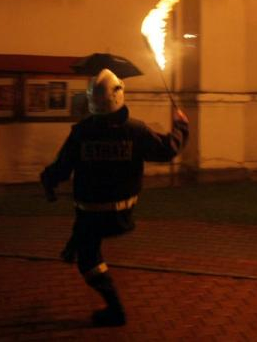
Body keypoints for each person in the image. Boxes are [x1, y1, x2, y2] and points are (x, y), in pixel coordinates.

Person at [40, 69, 189, 327]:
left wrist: (48, 182)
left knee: (89, 258)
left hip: (89, 213)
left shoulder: (81, 132)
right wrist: (181, 127)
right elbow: (167, 150)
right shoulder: (135, 131)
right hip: (121, 214)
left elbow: (60, 168)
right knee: (87, 240)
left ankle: (114, 308)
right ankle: (75, 244)